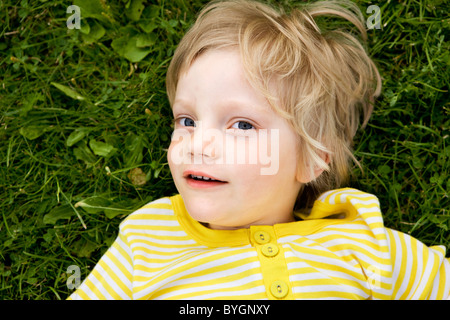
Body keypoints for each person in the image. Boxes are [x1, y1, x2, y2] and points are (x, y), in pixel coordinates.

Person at [68, 0, 450, 300]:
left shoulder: (361, 243)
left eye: (242, 125)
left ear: (312, 160)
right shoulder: (147, 242)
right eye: (187, 120)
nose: (198, 145)